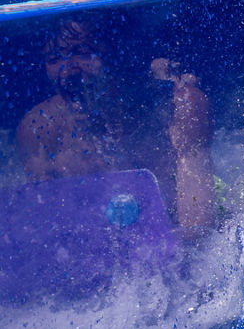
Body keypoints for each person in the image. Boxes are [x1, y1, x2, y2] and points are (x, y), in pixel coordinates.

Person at [16, 20, 215, 237]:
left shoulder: (178, 108)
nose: (67, 71)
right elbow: (49, 235)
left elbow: (198, 229)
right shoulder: (41, 128)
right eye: (54, 59)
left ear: (113, 54)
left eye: (82, 53)